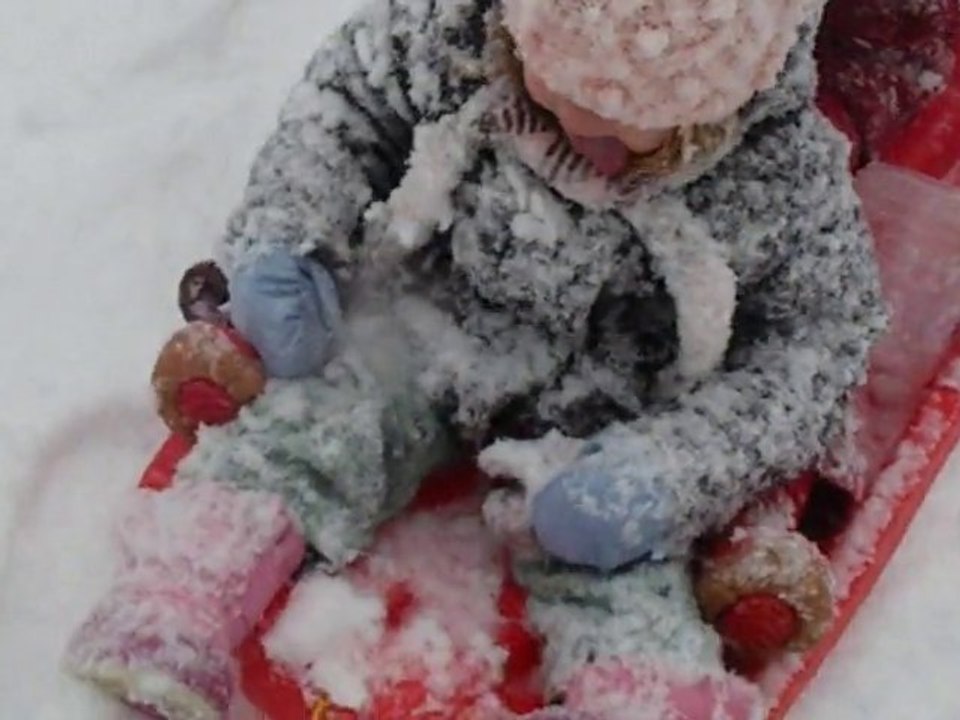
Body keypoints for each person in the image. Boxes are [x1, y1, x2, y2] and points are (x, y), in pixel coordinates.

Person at [66, 1, 886, 718]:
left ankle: (644, 693)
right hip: (443, 297)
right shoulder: (451, 31)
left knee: (619, 557)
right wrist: (285, 241)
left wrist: (673, 469)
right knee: (320, 420)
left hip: (623, 381)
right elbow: (344, 110)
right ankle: (179, 591)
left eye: (634, 129)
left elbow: (816, 343)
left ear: (724, 103)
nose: (580, 133)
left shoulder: (779, 174)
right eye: (558, 89)